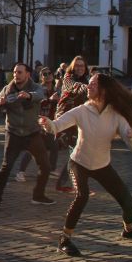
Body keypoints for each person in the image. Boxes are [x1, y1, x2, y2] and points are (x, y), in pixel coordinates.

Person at [38, 72, 132, 257]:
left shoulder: (116, 115)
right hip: (79, 162)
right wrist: (47, 123)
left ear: (104, 90)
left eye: (92, 84)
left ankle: (129, 230)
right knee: (82, 196)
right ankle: (64, 239)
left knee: (128, 203)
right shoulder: (82, 110)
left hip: (102, 165)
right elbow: (57, 125)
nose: (88, 87)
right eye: (88, 84)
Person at [0, 63, 52, 210]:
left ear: (27, 74)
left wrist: (28, 96)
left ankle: (38, 195)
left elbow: (40, 95)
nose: (16, 75)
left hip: (32, 132)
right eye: (15, 72)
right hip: (14, 133)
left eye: (20, 72)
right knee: (6, 167)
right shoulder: (7, 90)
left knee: (46, 165)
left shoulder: (35, 87)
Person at [51, 57, 90, 193]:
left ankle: (67, 184)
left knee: (76, 154)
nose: (80, 68)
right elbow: (76, 87)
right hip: (65, 119)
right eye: (77, 66)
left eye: (82, 66)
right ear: (73, 67)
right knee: (75, 153)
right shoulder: (68, 78)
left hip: (78, 121)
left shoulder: (86, 80)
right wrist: (88, 88)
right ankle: (71, 185)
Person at [18, 67, 61, 181]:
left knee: (54, 145)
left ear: (53, 75)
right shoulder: (38, 89)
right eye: (44, 74)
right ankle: (20, 172)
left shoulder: (56, 89)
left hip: (50, 122)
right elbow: (36, 103)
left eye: (49, 73)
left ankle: (51, 169)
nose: (47, 76)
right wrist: (50, 100)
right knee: (32, 148)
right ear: (41, 77)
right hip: (37, 121)